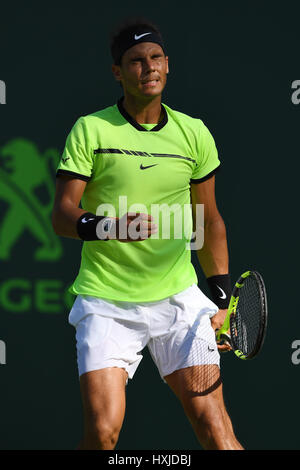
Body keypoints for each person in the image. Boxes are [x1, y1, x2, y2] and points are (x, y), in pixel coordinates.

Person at [52, 17, 243, 450]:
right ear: (119, 73)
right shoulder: (91, 129)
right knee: (103, 433)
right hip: (106, 302)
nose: (149, 67)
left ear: (168, 65)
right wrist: (108, 226)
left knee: (217, 431)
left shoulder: (193, 133)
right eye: (136, 61)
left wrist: (220, 298)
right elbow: (62, 215)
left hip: (178, 300)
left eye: (156, 57)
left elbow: (209, 220)